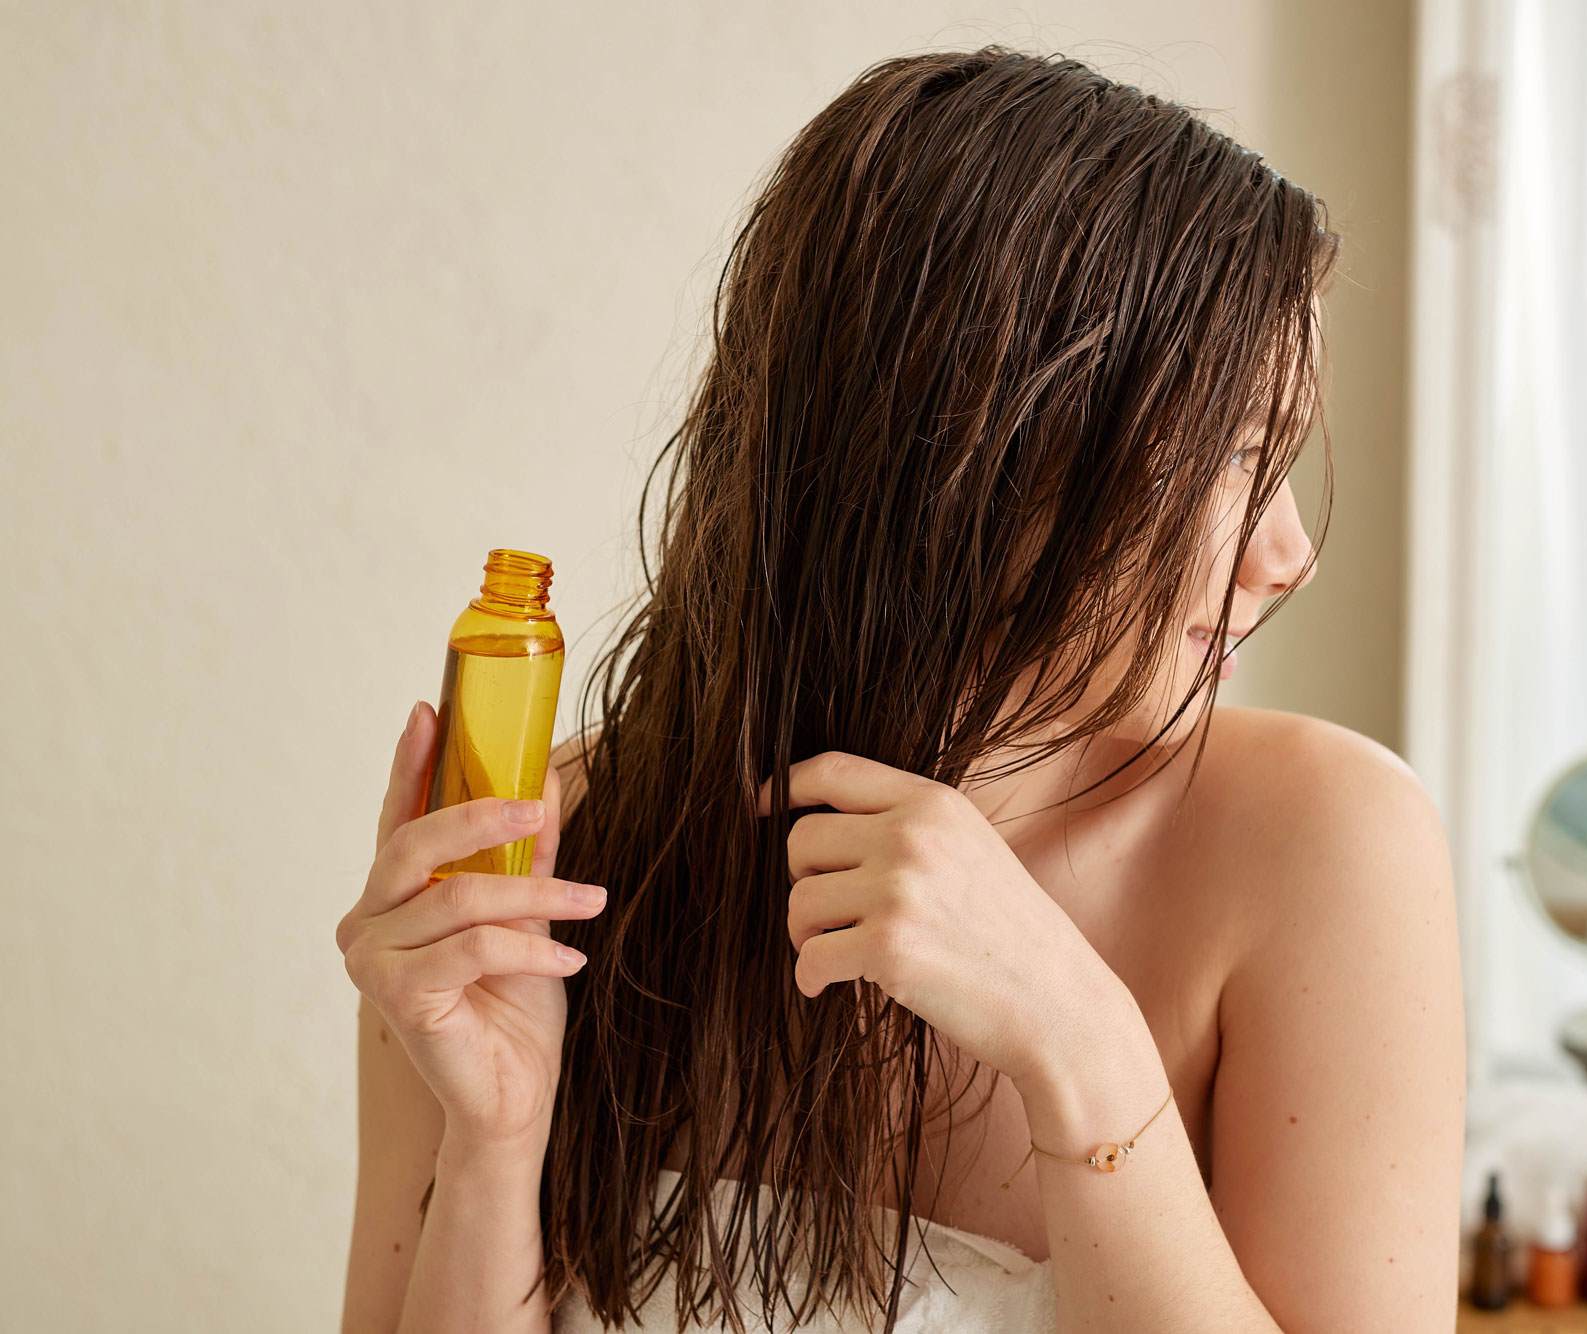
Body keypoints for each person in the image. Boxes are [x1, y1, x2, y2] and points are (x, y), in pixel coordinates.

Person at [337, 45, 1464, 1334]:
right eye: (1238, 459)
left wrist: (1083, 1048)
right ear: (991, 451)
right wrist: (492, 1144)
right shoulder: (545, 864)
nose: (1291, 555)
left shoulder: (1321, 847)